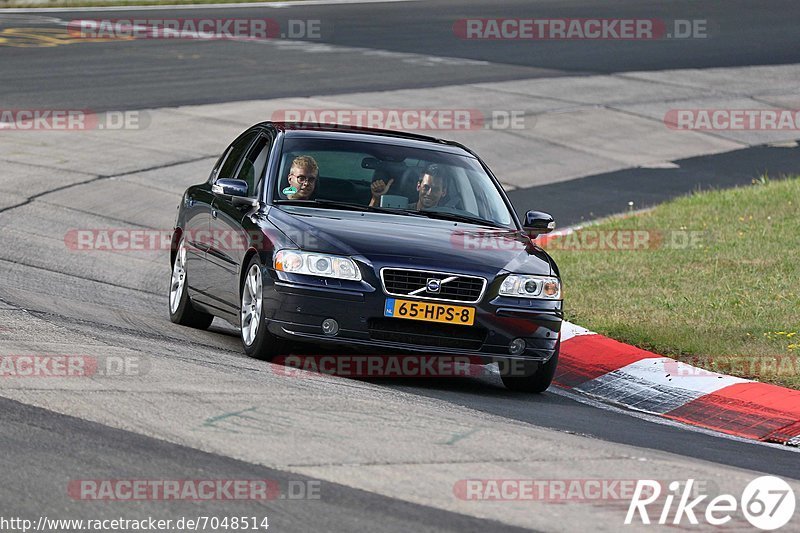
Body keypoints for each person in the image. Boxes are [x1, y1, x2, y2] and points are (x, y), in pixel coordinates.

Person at [370, 164, 447, 210]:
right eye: (426, 187)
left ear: (443, 192)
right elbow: (369, 221)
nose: (429, 193)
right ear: (418, 186)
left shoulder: (449, 219)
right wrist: (376, 198)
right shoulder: (402, 210)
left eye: (435, 189)